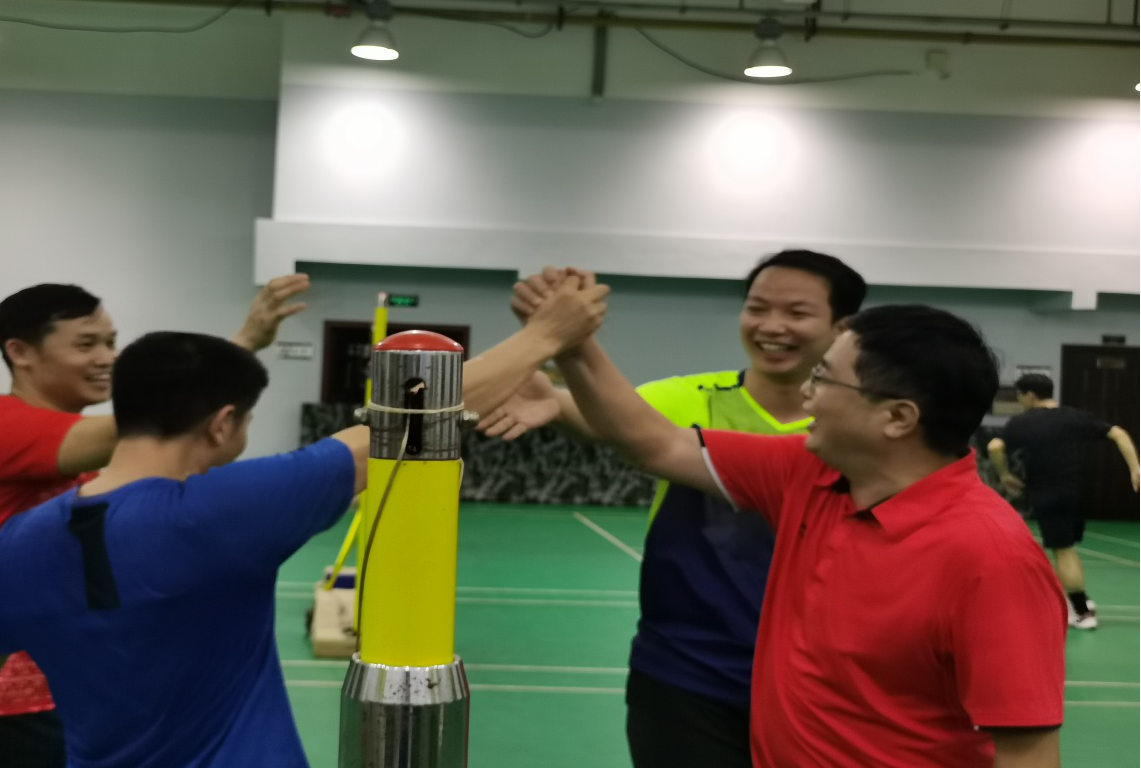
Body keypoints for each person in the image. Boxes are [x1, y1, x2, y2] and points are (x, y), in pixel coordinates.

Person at [0, 277, 609, 768]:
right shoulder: (227, 512)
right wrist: (547, 335)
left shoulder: (16, 544)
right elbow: (404, 422)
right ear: (224, 423)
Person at [546, 298, 1065, 768]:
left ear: (897, 417)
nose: (806, 393)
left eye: (823, 379)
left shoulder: (991, 558)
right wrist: (571, 345)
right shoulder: (809, 473)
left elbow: (1028, 753)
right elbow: (654, 443)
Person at [0, 274, 312, 768]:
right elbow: (155, 421)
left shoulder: (89, 455)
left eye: (111, 342)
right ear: (20, 352)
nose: (108, 358)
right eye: (86, 344)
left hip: (56, 695)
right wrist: (241, 347)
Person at [481, 252, 866, 768]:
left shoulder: (857, 430)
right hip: (687, 677)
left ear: (842, 328)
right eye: (757, 308)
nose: (771, 326)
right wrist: (555, 383)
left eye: (797, 313)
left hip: (822, 684)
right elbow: (615, 421)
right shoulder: (690, 397)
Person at [988, 373, 1141, 629]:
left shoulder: (1022, 422)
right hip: (1078, 494)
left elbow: (994, 446)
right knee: (1067, 549)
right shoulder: (1074, 416)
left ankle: (1082, 613)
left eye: (1020, 396)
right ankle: (1081, 599)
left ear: (1030, 396)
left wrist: (1005, 475)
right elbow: (1119, 433)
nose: (1020, 401)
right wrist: (1135, 468)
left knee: (1063, 552)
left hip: (1048, 494)